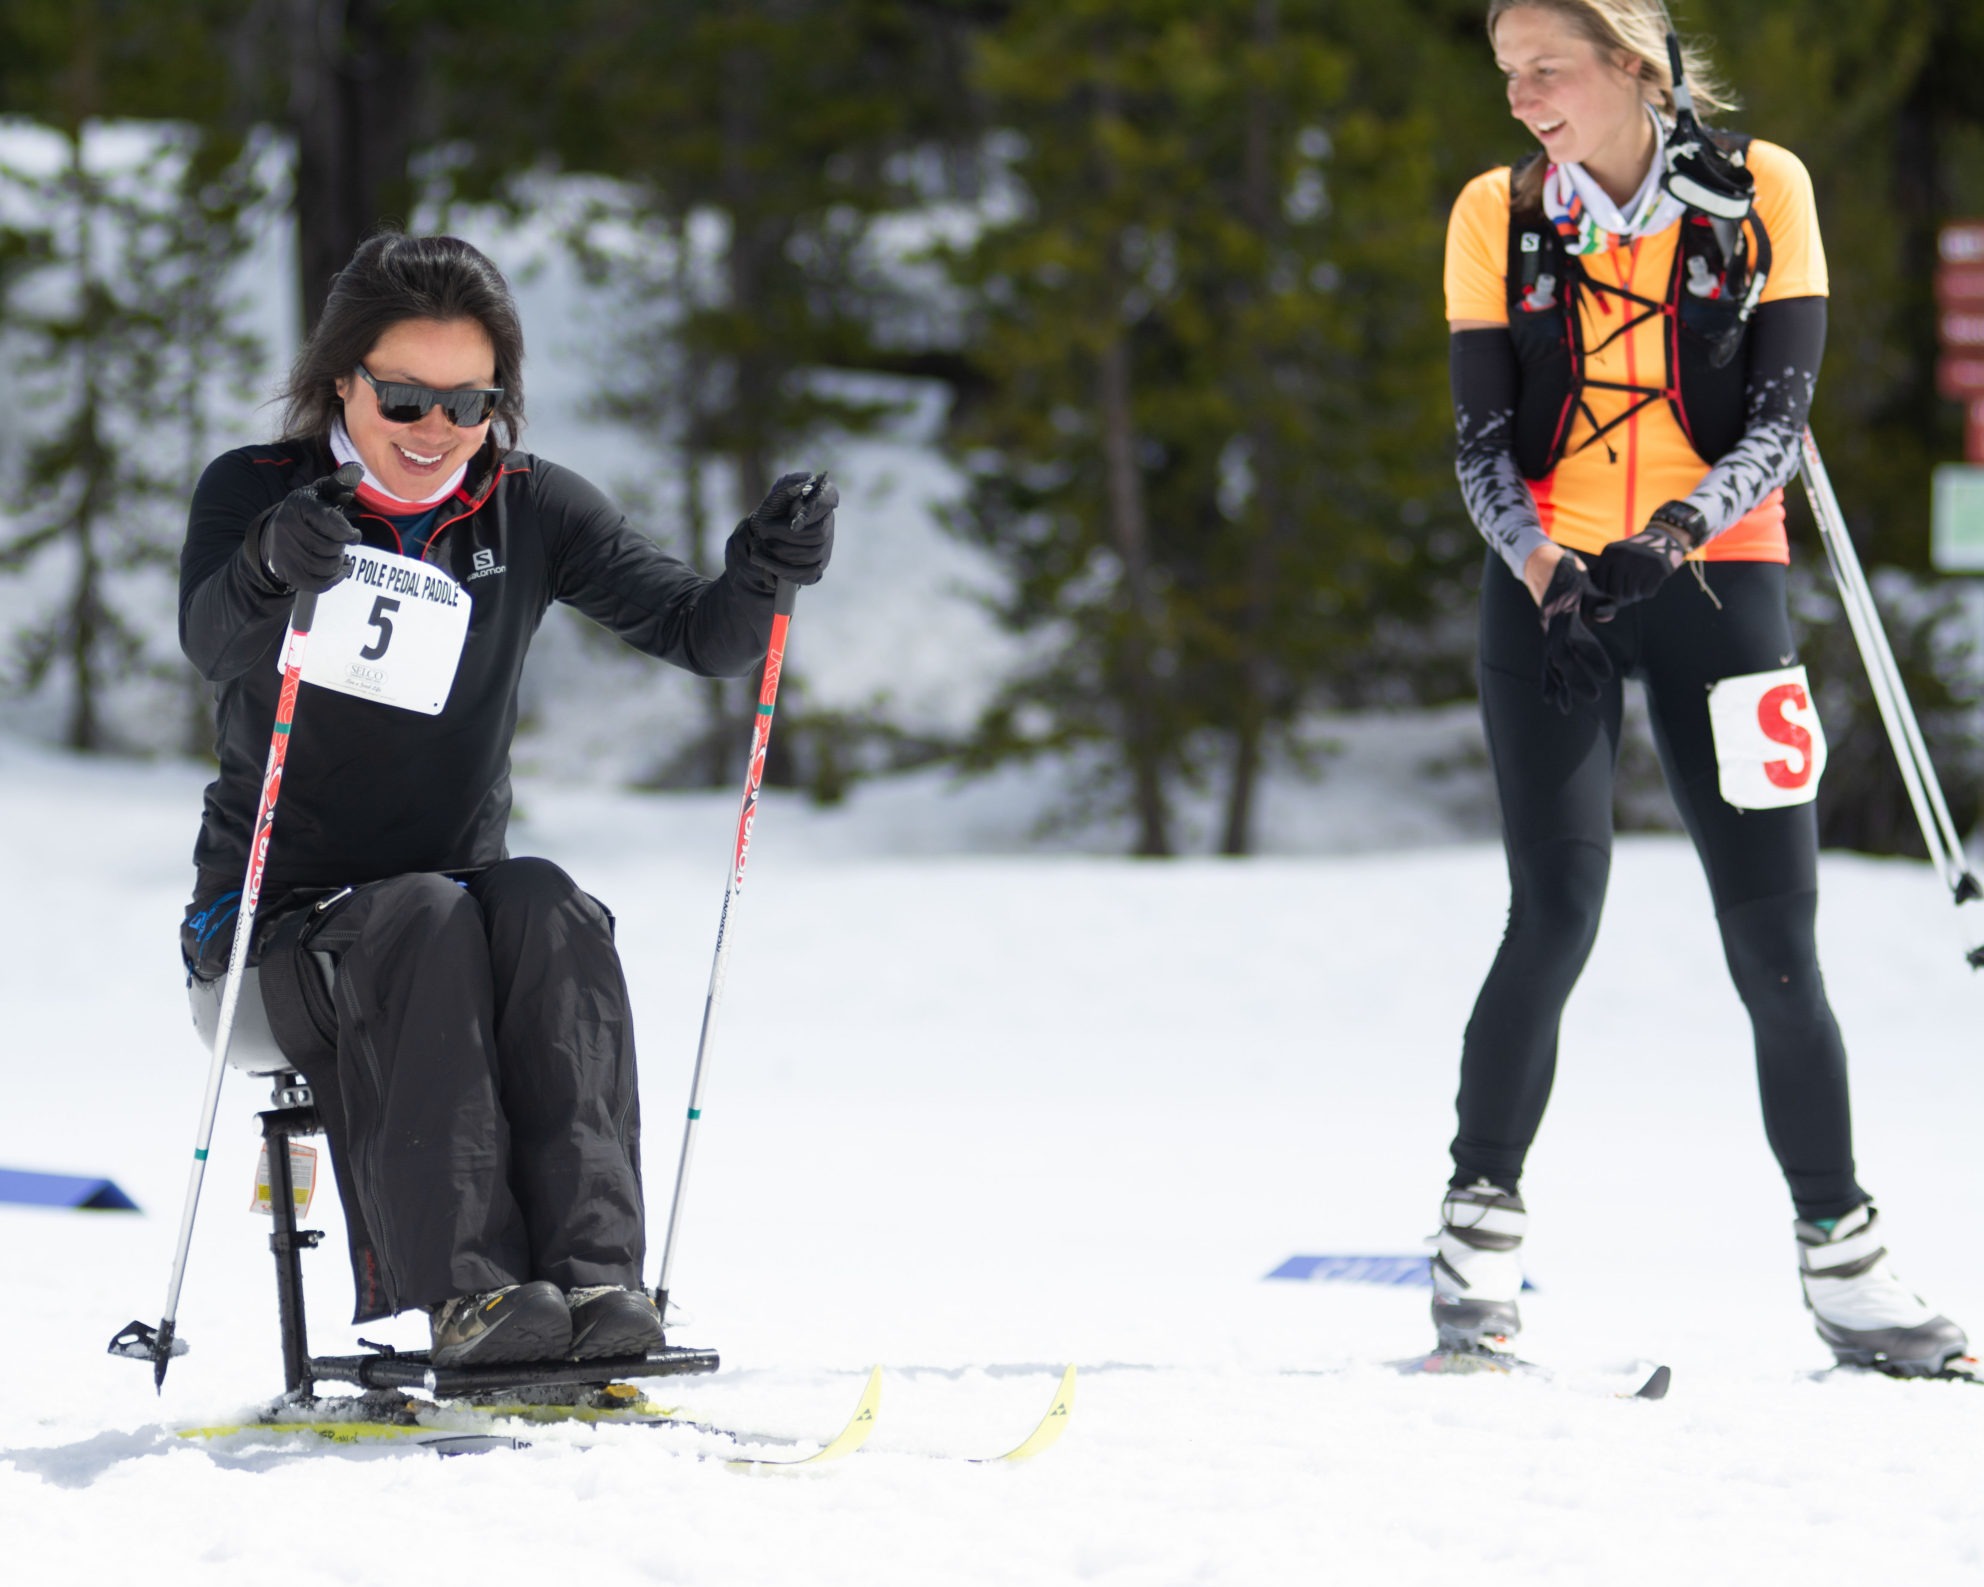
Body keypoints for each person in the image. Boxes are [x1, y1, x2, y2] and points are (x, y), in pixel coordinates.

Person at [178, 233, 835, 1368]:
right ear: (345, 381)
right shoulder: (262, 492)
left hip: (461, 910)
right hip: (266, 942)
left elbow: (703, 635)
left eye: (468, 402)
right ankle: (470, 1297)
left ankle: (593, 1288)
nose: (434, 429)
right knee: (426, 916)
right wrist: (272, 565)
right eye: (404, 396)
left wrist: (764, 572)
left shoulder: (525, 507)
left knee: (544, 902)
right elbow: (211, 639)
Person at [1434, 0, 1964, 1373]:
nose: (1521, 96)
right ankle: (1475, 1246)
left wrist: (1676, 535)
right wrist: (1547, 562)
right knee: (1553, 909)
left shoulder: (1759, 189)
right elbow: (1483, 441)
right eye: (1506, 72)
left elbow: (1780, 417)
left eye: (1545, 67)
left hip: (1723, 584)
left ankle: (1846, 1261)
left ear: (1633, 63)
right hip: (1548, 592)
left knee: (1777, 940)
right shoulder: (1498, 212)